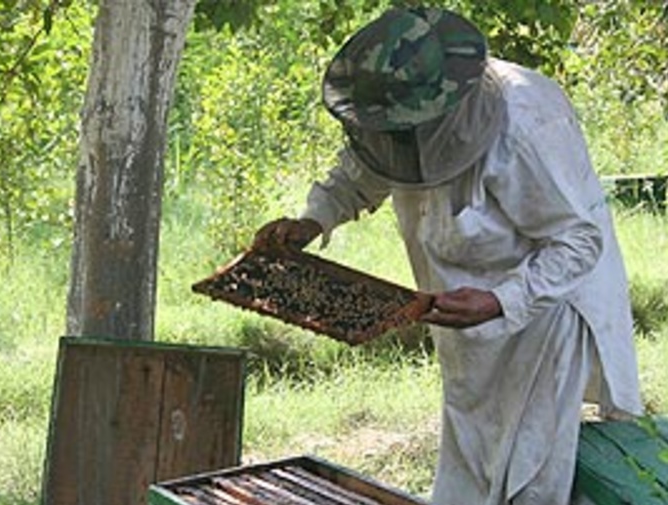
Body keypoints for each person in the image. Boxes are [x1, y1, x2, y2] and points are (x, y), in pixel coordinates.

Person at [255, 7, 642, 505]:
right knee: (471, 465)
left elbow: (578, 242)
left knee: (531, 471)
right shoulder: (394, 114)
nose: (394, 141)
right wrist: (313, 220)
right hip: (466, 315)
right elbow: (361, 171)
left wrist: (501, 300)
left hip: (546, 311)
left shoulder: (524, 124)